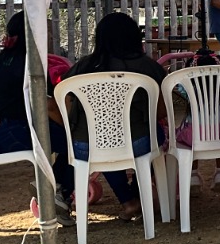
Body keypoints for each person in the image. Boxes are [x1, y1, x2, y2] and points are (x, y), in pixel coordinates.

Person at [57, 12, 167, 222]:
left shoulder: (83, 67)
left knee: (104, 144)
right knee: (157, 136)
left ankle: (128, 200)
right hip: (137, 142)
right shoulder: (148, 67)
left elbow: (64, 100)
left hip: (85, 145)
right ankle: (137, 195)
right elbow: (161, 112)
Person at [0, 12, 72, 202]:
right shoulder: (30, 62)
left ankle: (54, 188)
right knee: (79, 144)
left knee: (71, 141)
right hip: (11, 132)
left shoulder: (7, 57)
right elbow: (48, 106)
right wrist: (72, 128)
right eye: (46, 32)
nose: (50, 37)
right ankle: (54, 191)